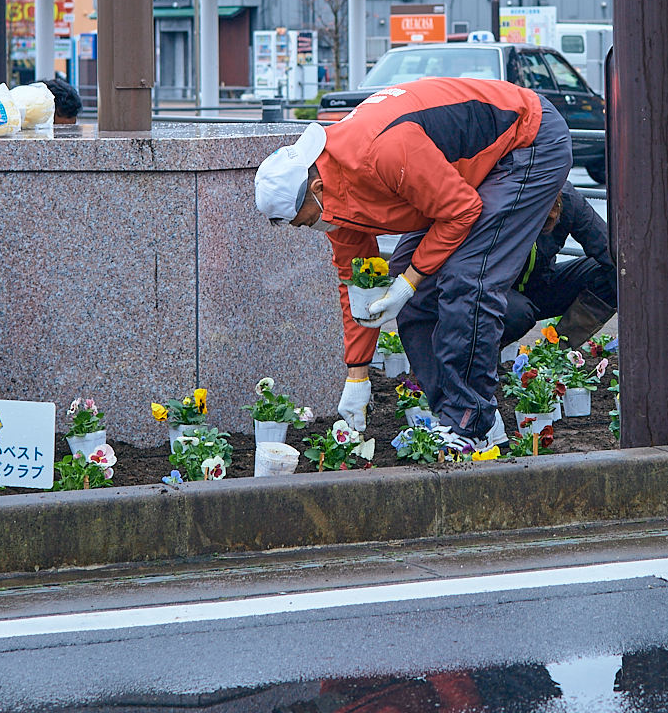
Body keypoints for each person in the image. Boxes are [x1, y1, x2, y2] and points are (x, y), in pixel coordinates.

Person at [254, 77, 571, 450]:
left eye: (306, 220)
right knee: (418, 306)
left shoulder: (381, 152)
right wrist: (357, 376)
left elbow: (461, 212)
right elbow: (359, 287)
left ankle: (470, 425)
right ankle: (471, 420)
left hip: (528, 138)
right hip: (476, 171)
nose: (311, 227)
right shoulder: (334, 198)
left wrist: (408, 280)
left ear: (316, 190)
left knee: (467, 279)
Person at [498, 182, 615, 349]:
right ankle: (483, 365)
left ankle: (555, 353)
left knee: (609, 275)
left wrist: (641, 305)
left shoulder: (566, 197)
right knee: (517, 313)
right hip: (497, 292)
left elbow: (607, 249)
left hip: (540, 284)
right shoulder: (495, 193)